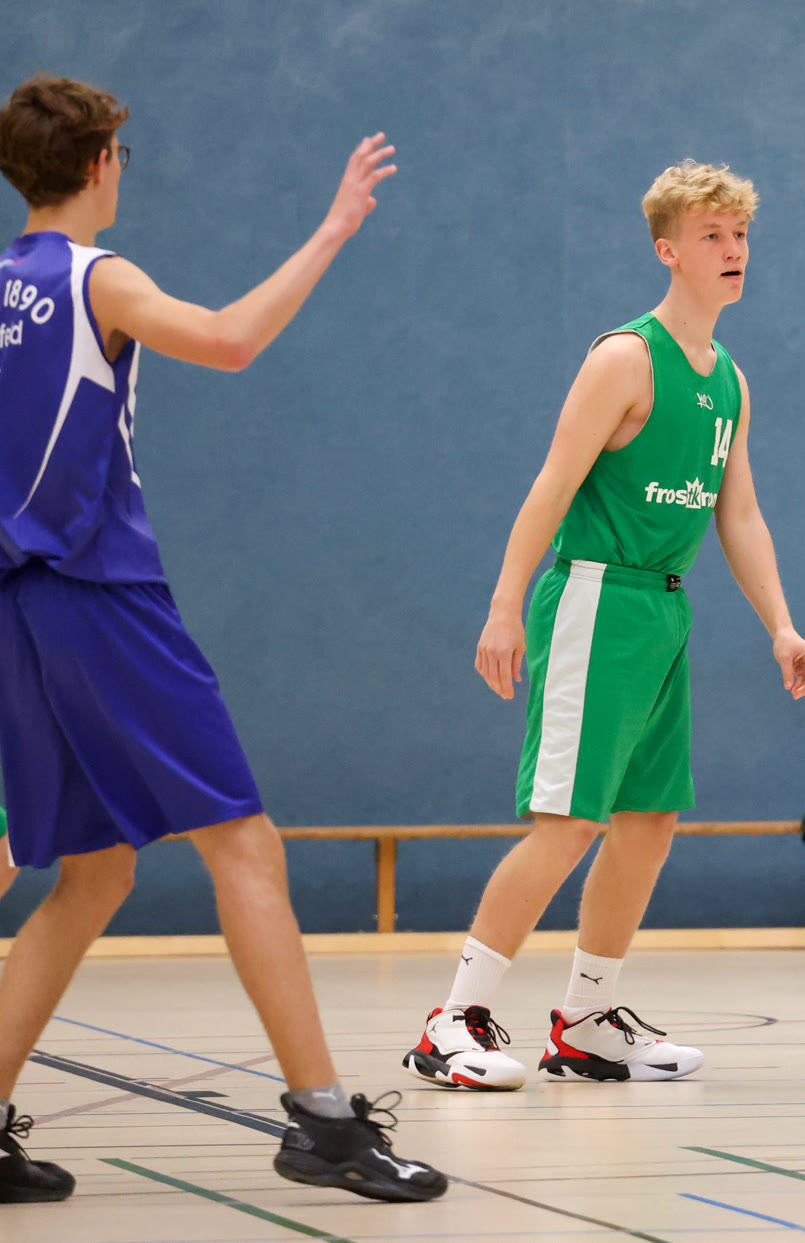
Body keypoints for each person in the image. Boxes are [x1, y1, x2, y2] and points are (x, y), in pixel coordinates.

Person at [0, 74, 444, 1203]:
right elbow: (231, 340)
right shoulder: (97, 276)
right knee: (244, 844)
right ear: (98, 163)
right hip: (101, 591)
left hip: (19, 608)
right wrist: (332, 229)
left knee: (94, 872)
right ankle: (324, 1125)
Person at [403, 160, 805, 1092]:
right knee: (567, 824)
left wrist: (781, 625)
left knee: (648, 821)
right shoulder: (626, 358)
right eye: (712, 236)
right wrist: (505, 604)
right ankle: (452, 1020)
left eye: (740, 234)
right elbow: (552, 484)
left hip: (666, 609)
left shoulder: (729, 380)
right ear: (667, 249)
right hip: (596, 598)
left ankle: (588, 1021)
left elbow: (739, 512)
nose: (733, 250)